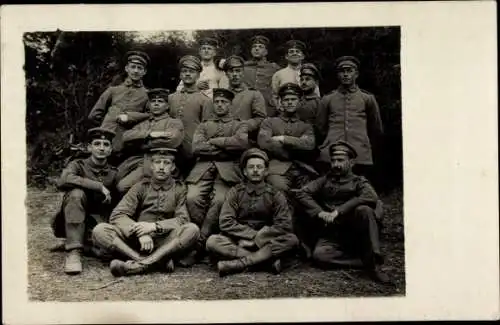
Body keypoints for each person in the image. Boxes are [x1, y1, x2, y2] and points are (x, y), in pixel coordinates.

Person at [91, 138, 200, 277]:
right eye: (157, 162)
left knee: (192, 230)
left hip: (165, 242)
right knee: (100, 230)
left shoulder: (179, 189)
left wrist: (155, 226)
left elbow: (183, 219)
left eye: (166, 163)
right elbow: (118, 215)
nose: (161, 167)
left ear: (173, 167)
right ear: (151, 166)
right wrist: (141, 232)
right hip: (137, 241)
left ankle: (137, 266)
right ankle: (152, 261)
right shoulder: (140, 187)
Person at [293, 141, 390, 284]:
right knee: (320, 256)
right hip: (332, 233)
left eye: (340, 160)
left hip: (355, 231)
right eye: (333, 160)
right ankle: (361, 261)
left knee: (364, 210)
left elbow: (371, 197)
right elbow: (302, 193)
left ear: (351, 162)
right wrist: (319, 212)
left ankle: (373, 263)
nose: (336, 165)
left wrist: (339, 211)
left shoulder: (359, 181)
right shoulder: (325, 180)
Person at [206, 148, 299, 277]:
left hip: (266, 242)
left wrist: (258, 240)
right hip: (240, 242)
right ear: (245, 171)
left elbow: (284, 225)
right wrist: (252, 236)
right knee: (212, 241)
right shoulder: (235, 192)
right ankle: (266, 262)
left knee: (292, 240)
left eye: (259, 167)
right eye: (251, 167)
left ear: (266, 171)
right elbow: (225, 222)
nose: (255, 170)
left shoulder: (275, 195)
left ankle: (239, 264)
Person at [186, 88, 250, 258]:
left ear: (230, 104)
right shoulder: (204, 124)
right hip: (202, 169)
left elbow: (241, 144)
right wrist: (225, 150)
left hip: (228, 172)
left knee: (220, 200)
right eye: (217, 102)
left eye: (224, 102)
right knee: (192, 198)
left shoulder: (239, 124)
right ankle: (206, 238)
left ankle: (200, 243)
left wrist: (214, 141)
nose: (220, 105)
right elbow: (197, 148)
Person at [257, 82, 318, 257]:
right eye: (286, 100)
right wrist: (293, 149)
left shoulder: (305, 125)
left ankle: (308, 240)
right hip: (277, 168)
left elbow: (310, 145)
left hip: (303, 169)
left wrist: (283, 138)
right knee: (281, 194)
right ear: (280, 102)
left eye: (293, 99)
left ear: (299, 102)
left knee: (308, 195)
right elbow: (264, 143)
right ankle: (286, 242)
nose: (290, 102)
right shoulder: (269, 122)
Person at [51, 127, 117, 275]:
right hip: (72, 218)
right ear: (89, 147)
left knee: (106, 254)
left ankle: (85, 246)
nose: (101, 148)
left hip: (98, 223)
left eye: (106, 144)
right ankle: (74, 251)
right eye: (97, 143)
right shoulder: (78, 165)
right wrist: (98, 186)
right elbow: (63, 180)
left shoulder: (114, 172)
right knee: (76, 194)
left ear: (111, 149)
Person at [317, 56, 384, 181]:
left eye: (349, 71)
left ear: (356, 74)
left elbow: (375, 128)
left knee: (359, 186)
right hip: (332, 151)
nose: (346, 74)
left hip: (360, 152)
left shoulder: (367, 98)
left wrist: (365, 144)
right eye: (342, 71)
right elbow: (320, 127)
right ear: (338, 75)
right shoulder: (328, 99)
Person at [115, 88, 184, 195]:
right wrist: (150, 134)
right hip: (136, 160)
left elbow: (172, 141)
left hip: (158, 160)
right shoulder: (143, 123)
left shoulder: (174, 122)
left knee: (123, 186)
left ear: (167, 106)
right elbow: (126, 137)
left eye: (160, 101)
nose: (156, 104)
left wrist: (140, 144)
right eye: (153, 101)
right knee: (113, 178)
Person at [88, 51, 151, 153]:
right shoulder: (113, 90)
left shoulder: (147, 95)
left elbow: (150, 116)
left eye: (139, 68)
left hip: (128, 142)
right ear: (127, 69)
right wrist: (107, 123)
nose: (135, 71)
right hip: (105, 138)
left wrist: (130, 117)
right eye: (133, 67)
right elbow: (94, 115)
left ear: (144, 72)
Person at [168, 55, 213, 177]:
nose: (187, 74)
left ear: (198, 75)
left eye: (191, 71)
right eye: (184, 71)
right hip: (171, 149)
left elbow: (207, 129)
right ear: (180, 75)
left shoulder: (205, 100)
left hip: (192, 152)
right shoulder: (171, 98)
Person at [222, 55, 267, 142]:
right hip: (225, 140)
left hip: (247, 140)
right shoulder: (222, 95)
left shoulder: (254, 94)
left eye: (238, 71)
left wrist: (244, 126)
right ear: (226, 74)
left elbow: (261, 118)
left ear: (243, 73)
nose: (235, 74)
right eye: (231, 71)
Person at [243, 35, 281, 117]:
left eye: (260, 47)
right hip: (247, 106)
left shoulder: (274, 68)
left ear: (266, 52)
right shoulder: (243, 67)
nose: (257, 49)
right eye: (254, 47)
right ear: (251, 50)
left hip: (267, 107)